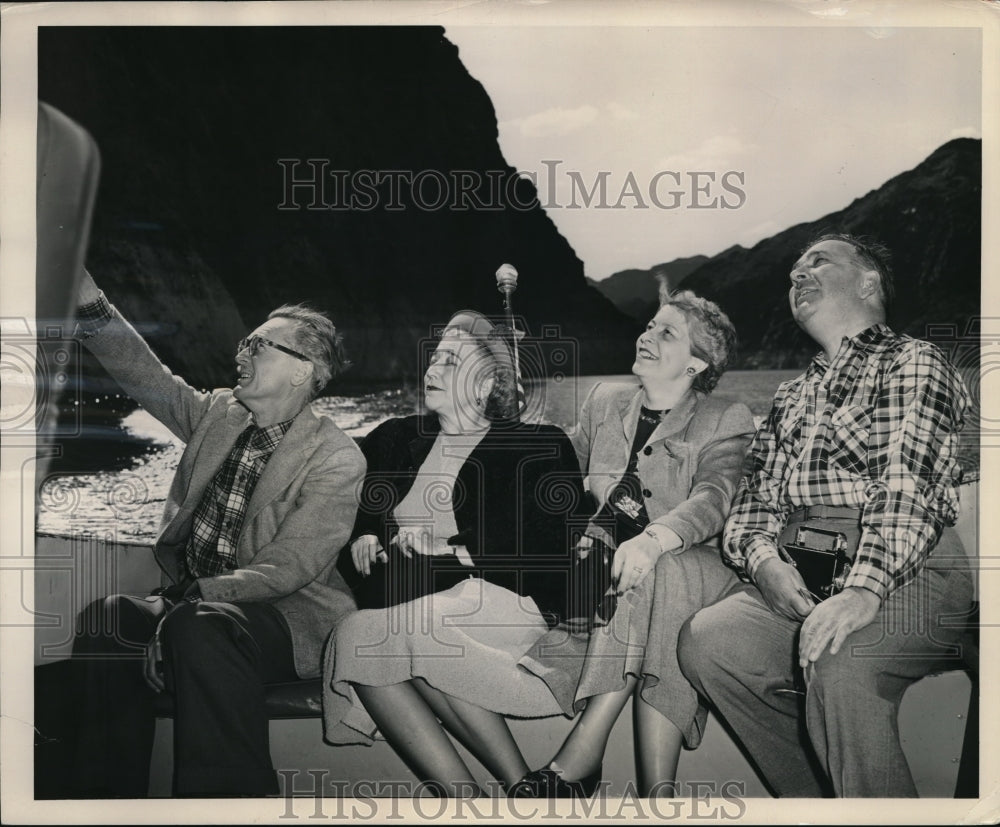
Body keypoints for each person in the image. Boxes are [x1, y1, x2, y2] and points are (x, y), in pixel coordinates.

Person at [677, 234, 974, 797]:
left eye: (818, 262)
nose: (798, 275)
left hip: (907, 563)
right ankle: (818, 802)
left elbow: (904, 491)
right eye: (794, 270)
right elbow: (755, 499)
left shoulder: (913, 362)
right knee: (708, 642)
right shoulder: (791, 395)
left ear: (868, 282)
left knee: (836, 657)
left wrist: (863, 591)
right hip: (806, 560)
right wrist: (764, 562)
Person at [62, 269, 365, 797]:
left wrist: (190, 603)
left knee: (199, 627)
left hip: (284, 617)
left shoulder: (336, 457)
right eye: (243, 344)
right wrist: (88, 303)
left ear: (302, 372)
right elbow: (145, 376)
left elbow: (287, 568)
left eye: (258, 346)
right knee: (108, 618)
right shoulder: (219, 415)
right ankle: (105, 801)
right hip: (195, 605)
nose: (240, 354)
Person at [321, 310, 587, 797]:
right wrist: (365, 534)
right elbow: (360, 503)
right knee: (364, 631)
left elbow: (550, 548)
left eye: (450, 360)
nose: (431, 368)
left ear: (487, 382)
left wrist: (453, 550)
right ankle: (486, 797)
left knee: (368, 635)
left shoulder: (537, 445)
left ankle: (497, 793)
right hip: (411, 601)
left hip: (507, 602)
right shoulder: (395, 438)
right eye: (434, 357)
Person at [510, 291, 756, 798]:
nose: (646, 335)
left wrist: (654, 538)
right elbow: (562, 477)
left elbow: (715, 498)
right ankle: (658, 796)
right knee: (638, 580)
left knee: (655, 571)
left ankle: (580, 759)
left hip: (697, 568)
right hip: (611, 573)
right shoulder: (603, 401)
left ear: (696, 364)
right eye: (649, 325)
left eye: (667, 332)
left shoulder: (725, 417)